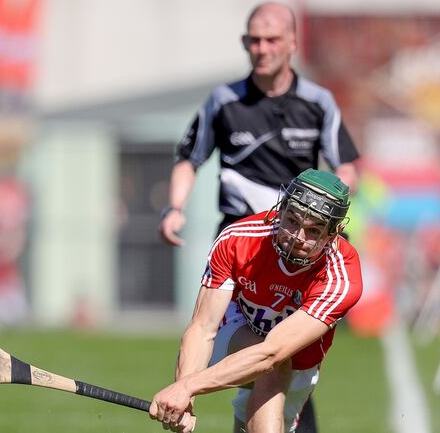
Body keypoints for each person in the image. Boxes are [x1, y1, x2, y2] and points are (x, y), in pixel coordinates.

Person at [157, 1, 360, 432]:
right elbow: (189, 156)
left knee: (278, 367)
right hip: (248, 252)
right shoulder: (224, 101)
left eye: (271, 39)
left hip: (303, 271)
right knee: (262, 361)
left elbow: (345, 169)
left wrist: (326, 212)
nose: (262, 48)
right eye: (254, 39)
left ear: (292, 44)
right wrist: (175, 208)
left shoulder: (318, 102)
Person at [149, 169, 363, 433]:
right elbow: (203, 328)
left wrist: (187, 387)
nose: (297, 237)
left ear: (333, 234)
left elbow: (272, 353)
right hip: (238, 327)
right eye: (292, 221)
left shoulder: (341, 277)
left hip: (295, 360)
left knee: (275, 366)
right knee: (273, 367)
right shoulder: (238, 238)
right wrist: (184, 400)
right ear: (280, 208)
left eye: (314, 230)